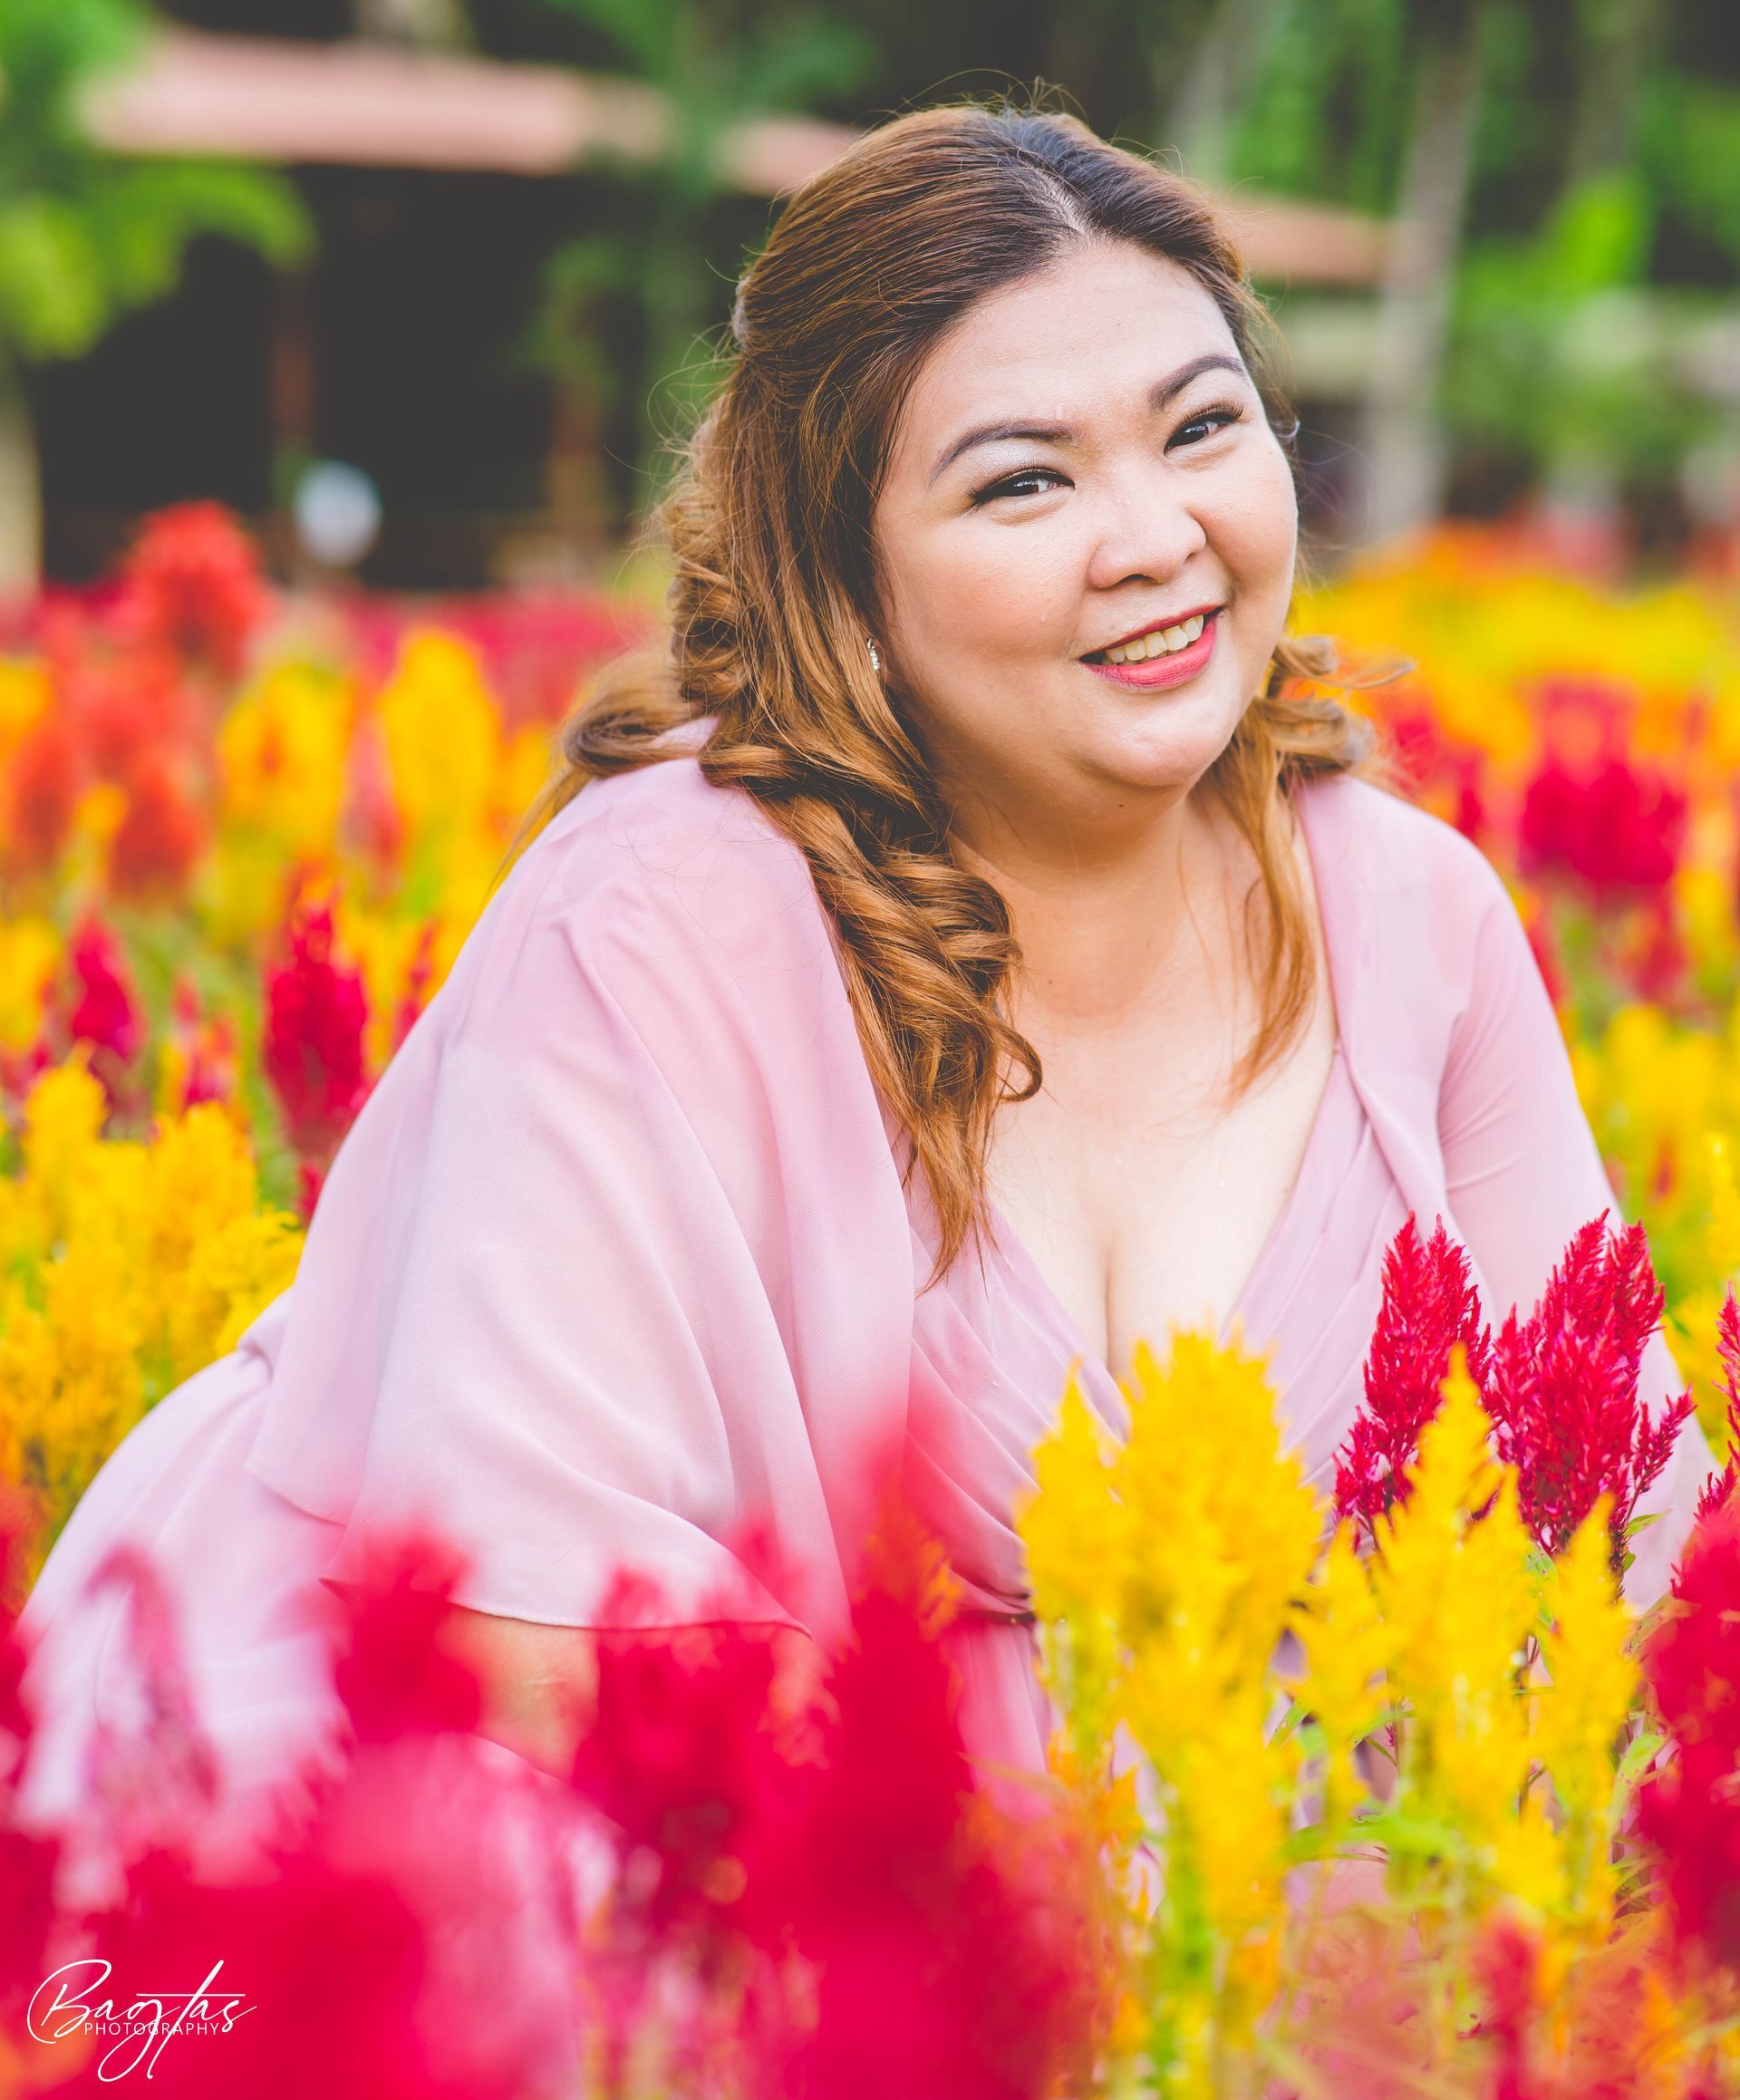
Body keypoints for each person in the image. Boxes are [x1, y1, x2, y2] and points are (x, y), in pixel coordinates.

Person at [15, 102, 1712, 1841]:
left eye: (1203, 427)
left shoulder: (1413, 916)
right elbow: (522, 1630)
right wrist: (1013, 1906)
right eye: (1024, 480)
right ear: (841, 575)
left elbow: (1629, 1532)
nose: (1152, 536)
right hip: (715, 1821)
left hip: (1274, 1863)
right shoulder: (665, 917)